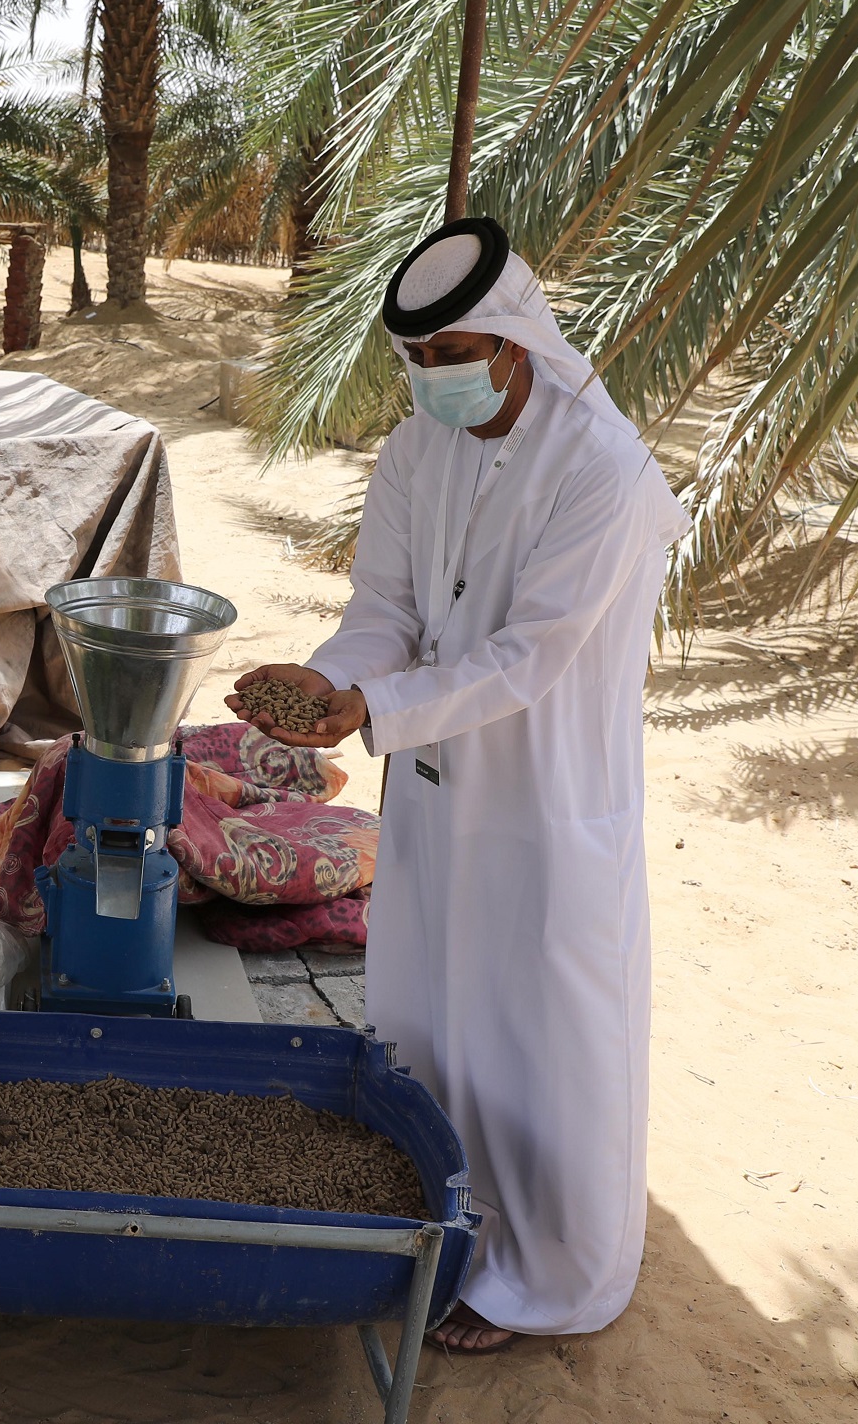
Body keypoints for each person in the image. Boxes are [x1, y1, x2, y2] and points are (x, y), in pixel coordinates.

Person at [228, 217, 687, 1354]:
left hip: (546, 798)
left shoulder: (603, 469)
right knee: (431, 1012)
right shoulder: (413, 452)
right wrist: (327, 679)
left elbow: (529, 659)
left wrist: (373, 711)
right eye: (419, 361)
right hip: (434, 790)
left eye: (455, 355)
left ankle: (547, 1279)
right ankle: (438, 1233)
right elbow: (385, 615)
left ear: (519, 339)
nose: (435, 379)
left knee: (542, 1040)